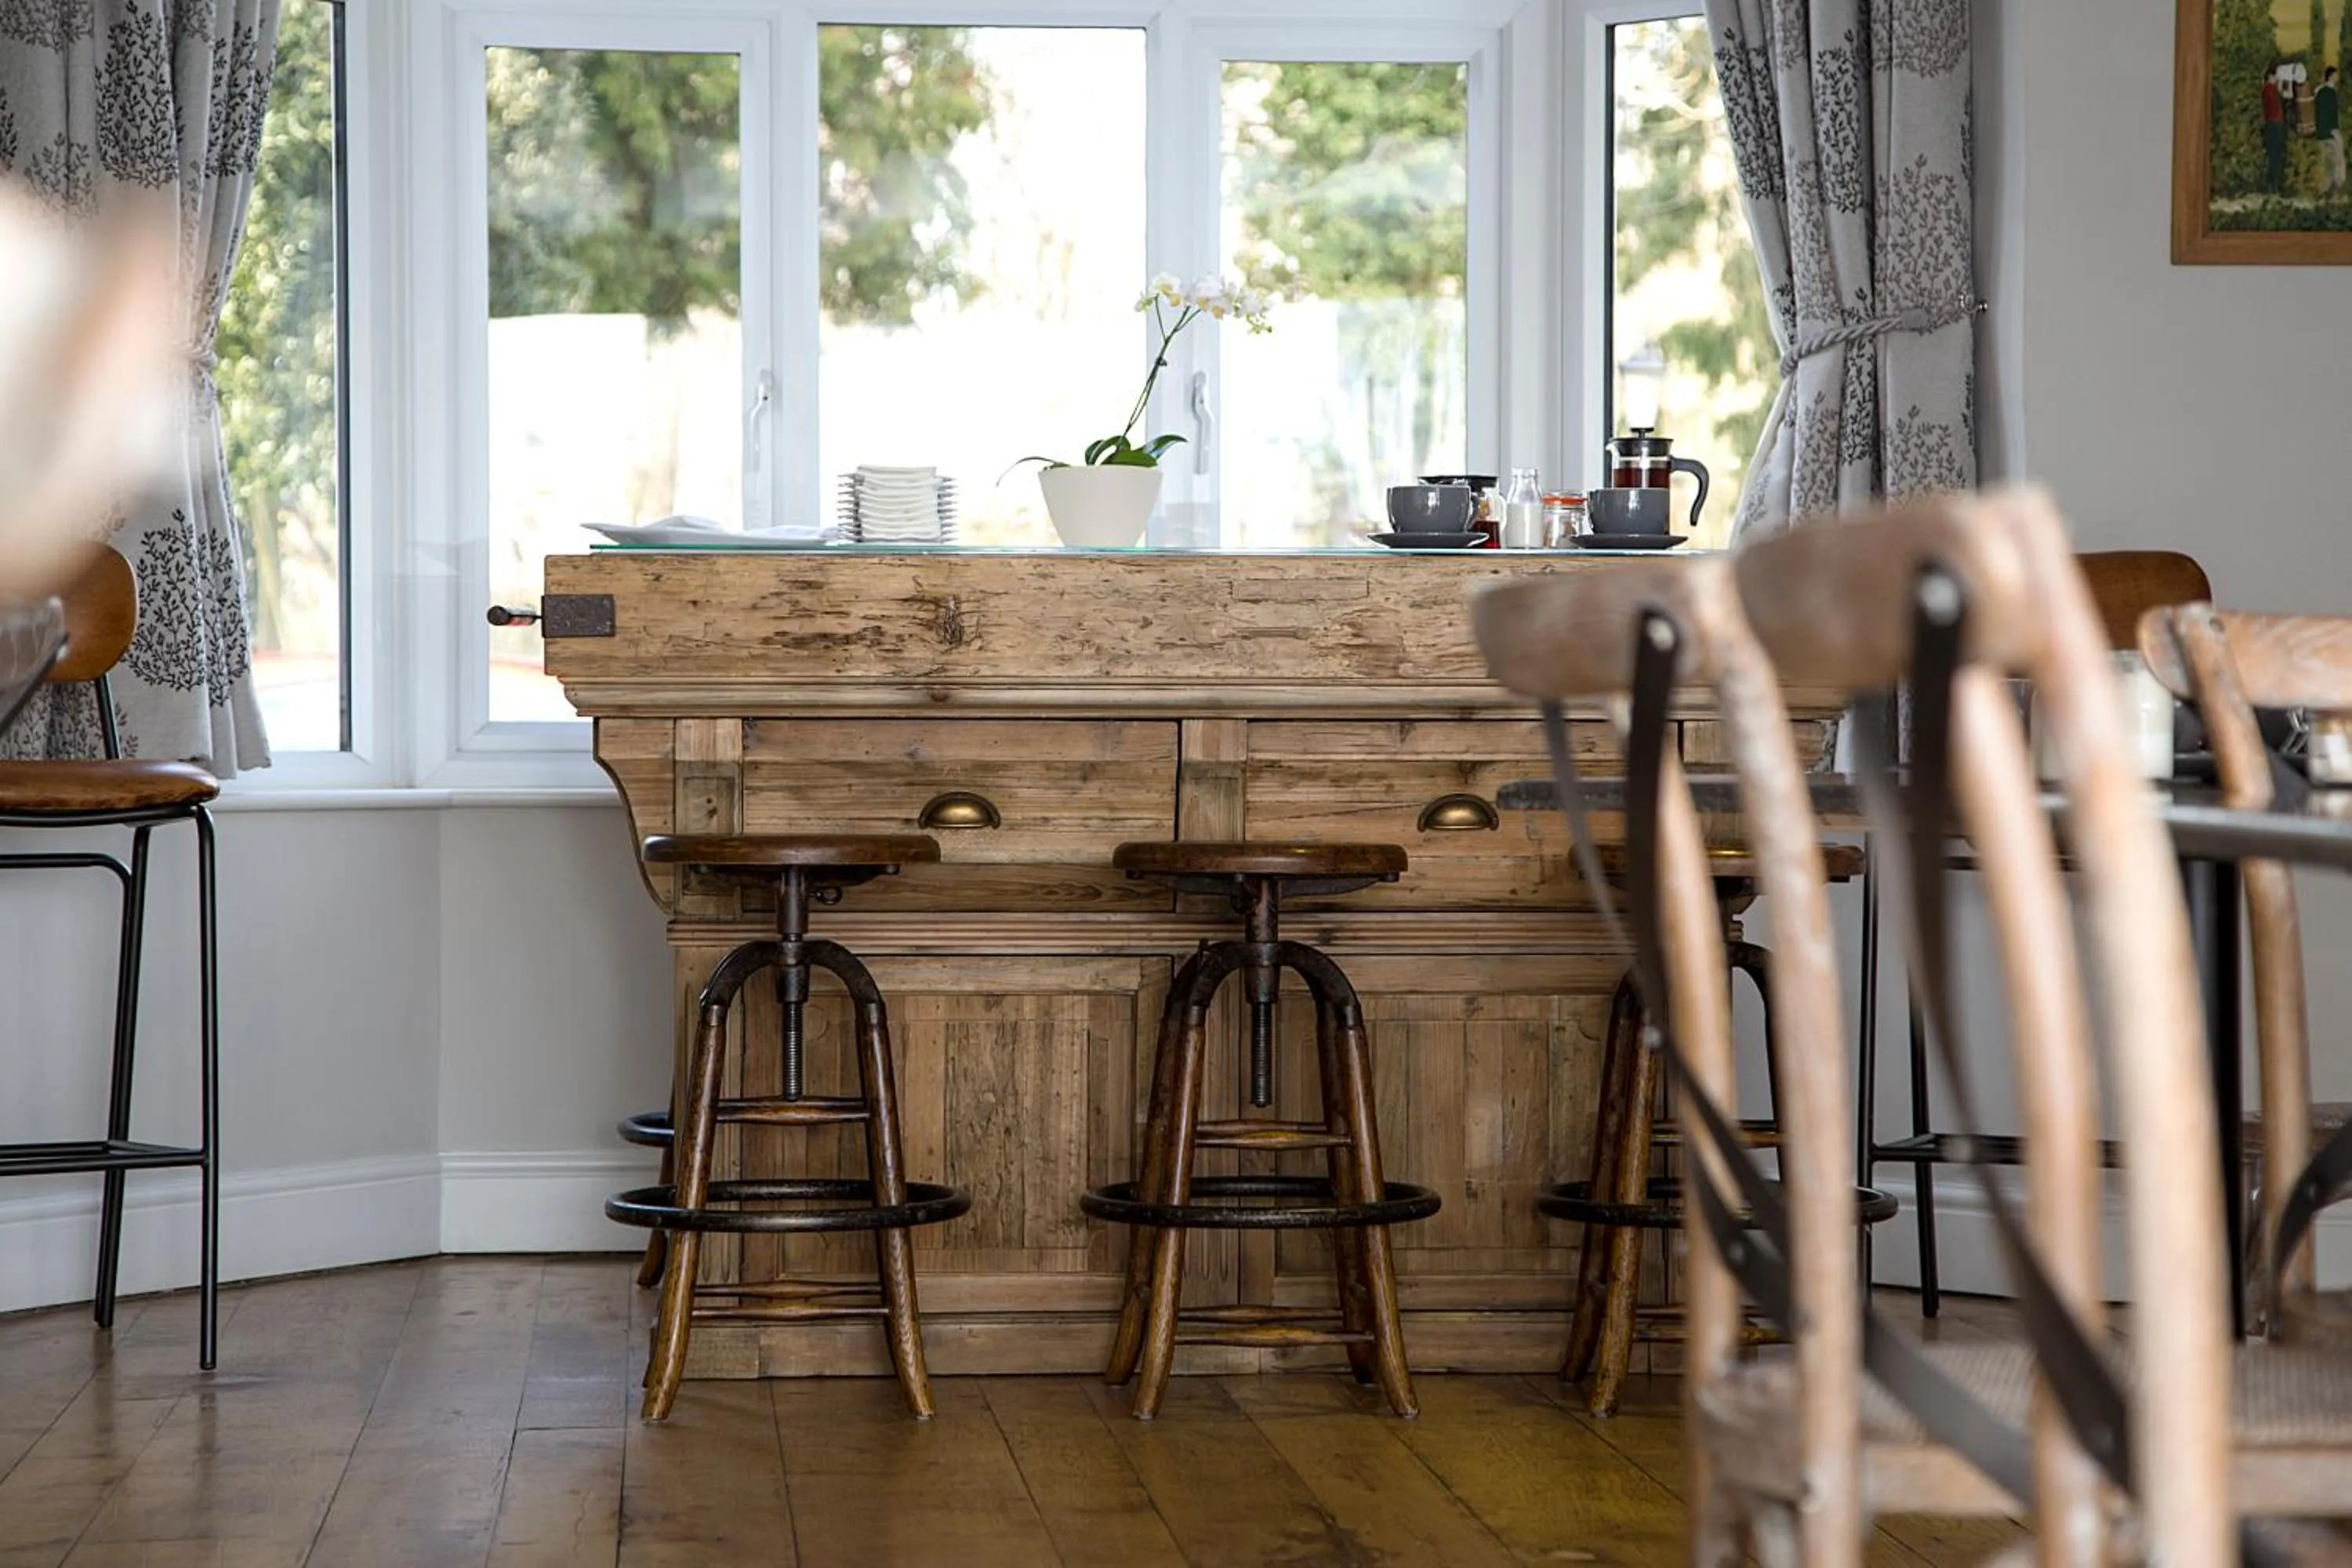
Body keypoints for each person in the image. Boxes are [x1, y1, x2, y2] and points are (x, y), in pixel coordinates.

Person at [2266, 64, 2291, 194]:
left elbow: (2288, 95)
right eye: (2276, 76)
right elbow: (2276, 104)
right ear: (2271, 76)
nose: (2277, 78)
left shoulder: (2272, 89)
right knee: (2275, 156)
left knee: (2277, 156)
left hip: (2276, 125)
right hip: (2274, 125)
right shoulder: (2269, 89)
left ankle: (2276, 185)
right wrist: (2280, 85)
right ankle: (2274, 186)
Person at [2320, 66, 2345, 195]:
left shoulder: (2320, 92)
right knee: (2338, 160)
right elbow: (2330, 114)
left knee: (2328, 164)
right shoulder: (2329, 93)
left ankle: (2326, 191)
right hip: (2331, 131)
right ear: (2331, 76)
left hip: (2323, 133)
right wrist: (2334, 130)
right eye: (2336, 75)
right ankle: (2337, 189)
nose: (2338, 77)